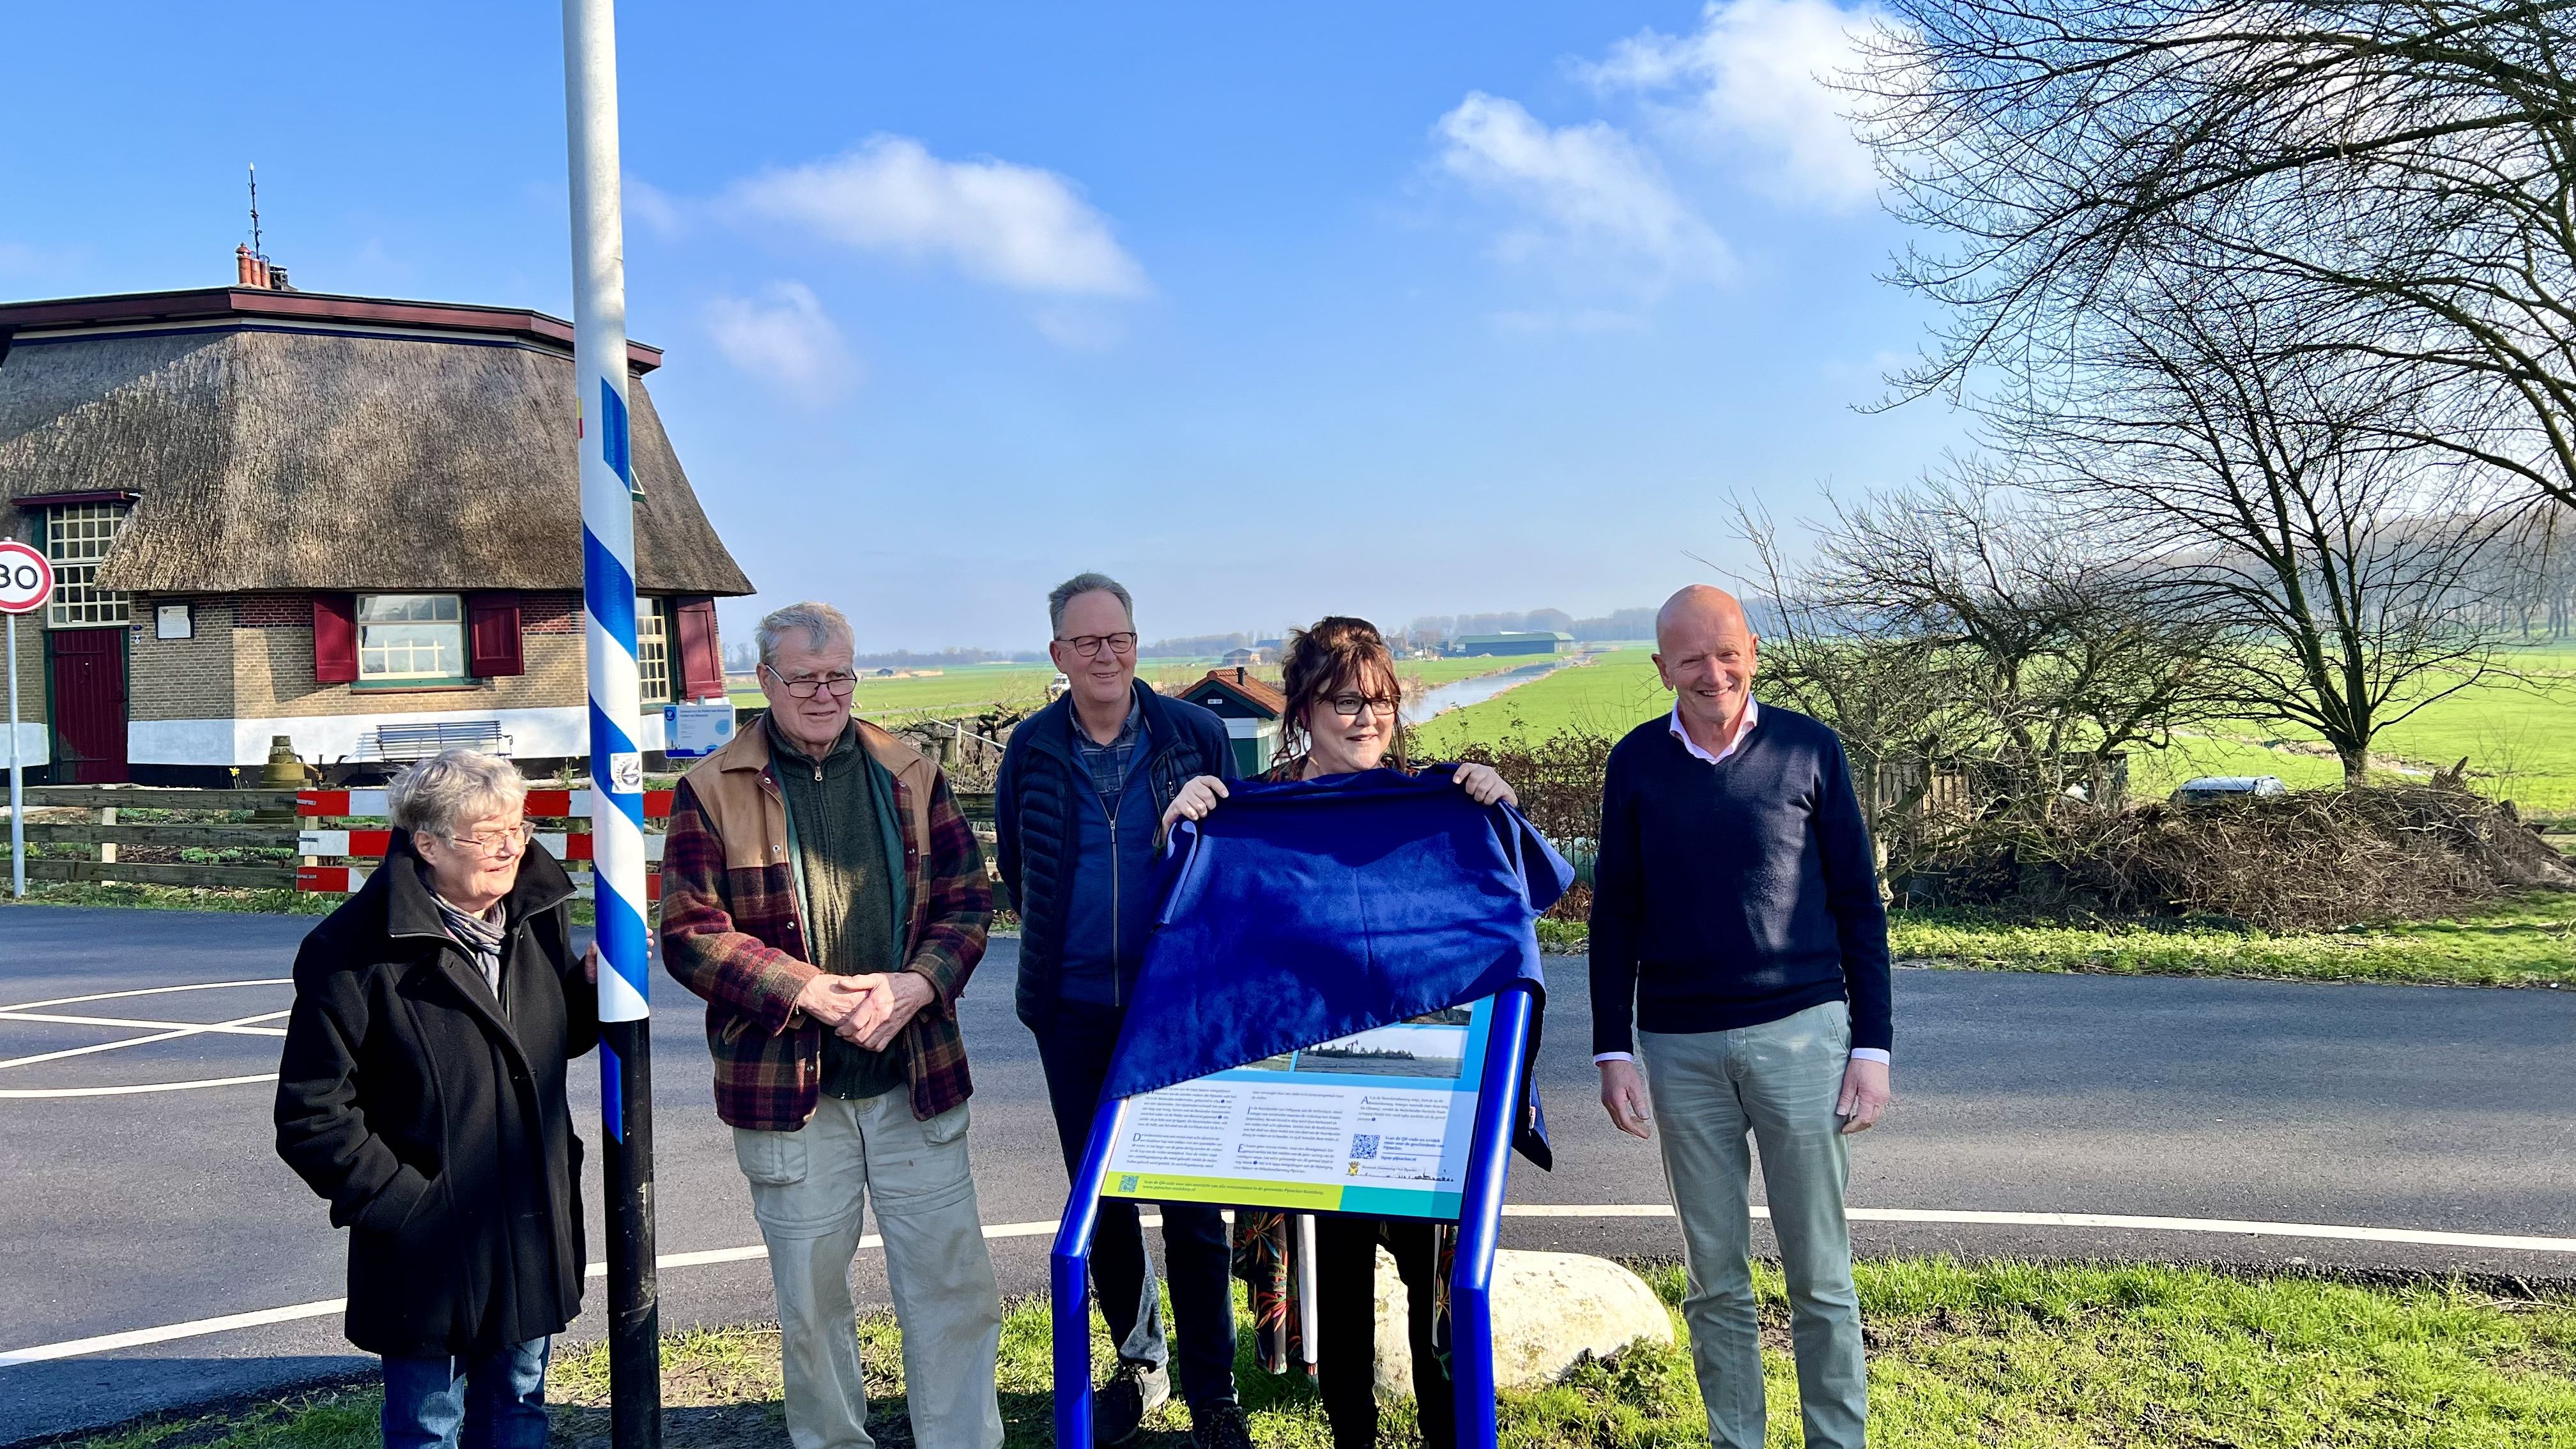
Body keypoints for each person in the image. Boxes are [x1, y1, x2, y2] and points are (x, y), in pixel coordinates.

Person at [1162, 615, 1517, 1449]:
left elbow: (1501, 911)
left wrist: (1498, 809)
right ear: (1304, 711)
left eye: (1380, 702)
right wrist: (1182, 827)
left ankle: (1446, 1437)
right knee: (1338, 1294)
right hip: (1313, 1101)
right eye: (1345, 701)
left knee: (1438, 1290)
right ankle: (1351, 1435)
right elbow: (1200, 935)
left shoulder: (1434, 806)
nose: (1365, 718)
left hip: (1424, 1095)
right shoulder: (1259, 818)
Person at [659, 601, 1003, 1449]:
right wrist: (806, 992)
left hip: (914, 1080)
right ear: (765, 681)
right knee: (812, 1307)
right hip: (790, 1098)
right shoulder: (709, 790)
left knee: (955, 1289)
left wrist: (919, 986)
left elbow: (969, 904)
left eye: (839, 676)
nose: (824, 693)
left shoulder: (910, 772)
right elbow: (690, 936)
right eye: (805, 678)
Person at [1590, 585, 1894, 1449]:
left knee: (1821, 1278)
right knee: (1715, 1277)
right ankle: (1738, 1440)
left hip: (1803, 1034)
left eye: (1727, 653)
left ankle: (1836, 1441)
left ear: (1753, 652)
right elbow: (1613, 913)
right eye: (1690, 657)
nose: (1712, 671)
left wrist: (1870, 1045)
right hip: (1679, 1047)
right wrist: (1614, 1046)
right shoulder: (1637, 764)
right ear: (1661, 669)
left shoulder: (1809, 748)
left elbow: (1858, 908)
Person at [274, 749, 598, 1449]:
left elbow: (545, 1040)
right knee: (429, 1427)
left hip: (526, 1225)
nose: (512, 846)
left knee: (519, 1407)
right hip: (430, 1248)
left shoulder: (536, 915)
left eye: (519, 825)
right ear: (427, 843)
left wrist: (596, 989)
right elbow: (310, 1114)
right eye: (488, 834)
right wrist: (406, 1207)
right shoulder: (353, 951)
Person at [993, 574, 1248, 1448]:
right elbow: (1019, 877)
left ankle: (1215, 1392)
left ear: (1137, 644)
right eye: (1088, 642)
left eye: (1121, 639)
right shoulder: (1030, 749)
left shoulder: (1197, 734)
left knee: (1191, 1205)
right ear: (1058, 654)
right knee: (1101, 1201)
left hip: (1176, 1012)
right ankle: (1141, 1365)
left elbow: (1234, 860)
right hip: (1072, 1012)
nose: (1107, 655)